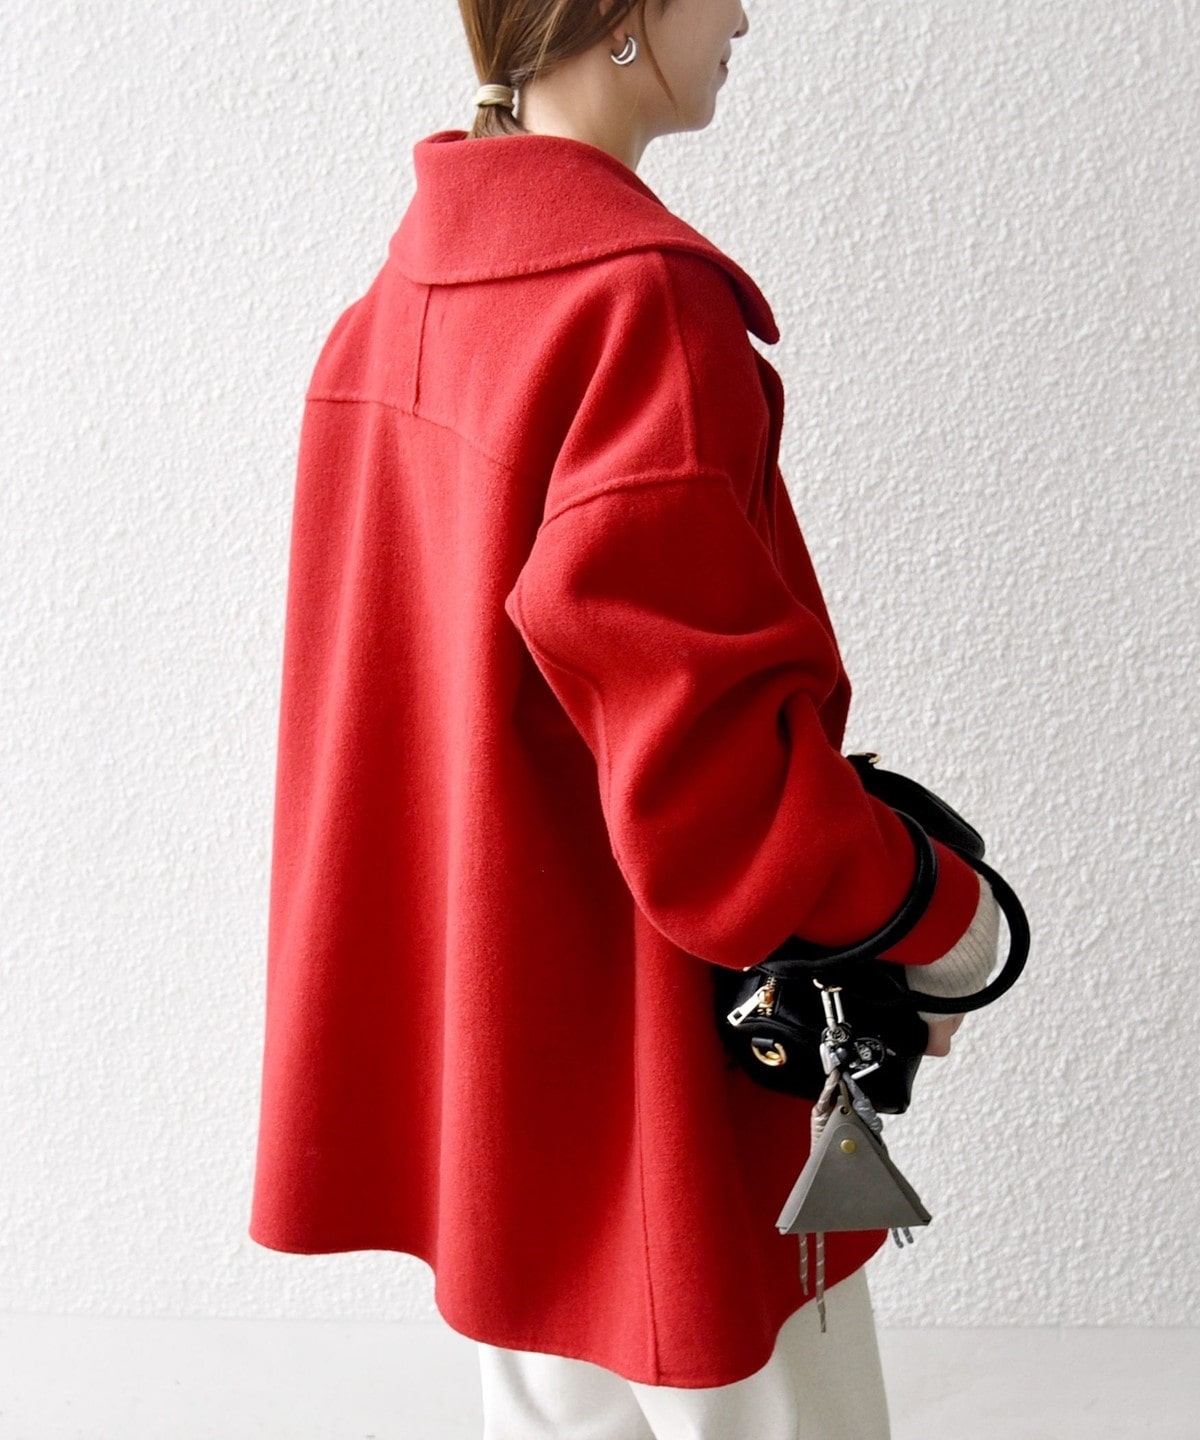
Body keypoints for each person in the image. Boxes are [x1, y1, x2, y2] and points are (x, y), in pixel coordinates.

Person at [248, 1, 1002, 1435]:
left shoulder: (392, 309)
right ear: (621, 13)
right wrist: (936, 917)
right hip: (669, 1079)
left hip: (503, 1083)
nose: (744, 15)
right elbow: (710, 779)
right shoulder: (639, 311)